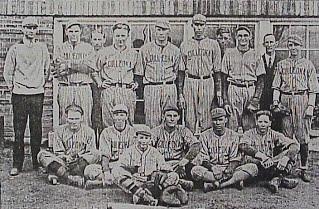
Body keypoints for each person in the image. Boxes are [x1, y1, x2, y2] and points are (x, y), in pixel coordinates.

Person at [4, 17, 50, 176]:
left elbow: (47, 69)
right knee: (19, 130)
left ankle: (37, 163)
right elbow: (7, 72)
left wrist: (39, 84)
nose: (31, 31)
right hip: (19, 95)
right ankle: (17, 164)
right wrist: (14, 87)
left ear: (37, 30)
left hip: (37, 94)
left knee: (36, 129)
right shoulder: (15, 49)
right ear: (22, 29)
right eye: (28, 28)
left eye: (33, 28)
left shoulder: (42, 48)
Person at [272, 34, 319, 182]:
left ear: (301, 46)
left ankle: (303, 168)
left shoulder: (307, 64)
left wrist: (311, 105)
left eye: (296, 45)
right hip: (285, 99)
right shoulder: (282, 64)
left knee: (303, 137)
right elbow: (276, 86)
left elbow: (313, 89)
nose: (293, 48)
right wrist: (275, 102)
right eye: (290, 45)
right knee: (285, 136)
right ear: (288, 47)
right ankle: (284, 167)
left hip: (301, 98)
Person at [113, 124, 188, 207]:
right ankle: (144, 195)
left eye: (146, 138)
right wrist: (132, 171)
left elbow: (164, 166)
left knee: (173, 175)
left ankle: (161, 194)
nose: (144, 141)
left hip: (152, 183)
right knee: (116, 172)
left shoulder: (154, 152)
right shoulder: (129, 151)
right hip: (135, 183)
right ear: (135, 138)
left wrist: (160, 174)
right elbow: (121, 167)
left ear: (150, 139)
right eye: (141, 138)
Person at [191, 108, 258, 192]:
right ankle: (233, 182)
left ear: (226, 120)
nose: (218, 123)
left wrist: (229, 170)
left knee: (253, 167)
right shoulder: (204, 136)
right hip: (212, 170)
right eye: (215, 120)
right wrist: (213, 168)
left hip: (229, 169)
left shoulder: (233, 135)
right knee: (195, 171)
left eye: (220, 120)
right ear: (212, 121)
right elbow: (204, 158)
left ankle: (216, 184)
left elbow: (235, 159)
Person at [88, 23, 138, 127]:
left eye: (123, 36)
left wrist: (137, 83)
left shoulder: (134, 54)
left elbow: (138, 73)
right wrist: (100, 83)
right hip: (110, 90)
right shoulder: (104, 52)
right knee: (108, 122)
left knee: (128, 122)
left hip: (127, 90)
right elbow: (93, 69)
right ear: (114, 36)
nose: (120, 39)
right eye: (118, 36)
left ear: (128, 36)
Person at [179, 14, 222, 135]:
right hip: (190, 80)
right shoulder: (185, 44)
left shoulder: (213, 44)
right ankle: (190, 144)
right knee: (189, 116)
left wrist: (218, 91)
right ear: (192, 26)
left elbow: (217, 70)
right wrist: (180, 93)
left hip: (207, 80)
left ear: (205, 26)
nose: (198, 28)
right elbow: (181, 71)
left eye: (201, 25)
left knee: (206, 115)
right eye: (196, 25)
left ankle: (205, 145)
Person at [37, 104, 99, 187]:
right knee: (42, 155)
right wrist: (65, 157)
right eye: (71, 119)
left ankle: (57, 174)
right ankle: (69, 178)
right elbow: (58, 151)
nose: (74, 121)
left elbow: (91, 152)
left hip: (80, 163)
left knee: (97, 154)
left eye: (76, 119)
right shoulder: (59, 130)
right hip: (63, 162)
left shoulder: (89, 132)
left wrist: (79, 156)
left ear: (82, 118)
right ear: (66, 118)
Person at [239, 110, 299, 193]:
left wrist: (285, 158)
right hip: (256, 164)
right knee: (249, 164)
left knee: (291, 156)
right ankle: (279, 179)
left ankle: (276, 179)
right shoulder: (249, 133)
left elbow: (294, 145)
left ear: (270, 123)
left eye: (265, 122)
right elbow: (243, 146)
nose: (263, 124)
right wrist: (262, 157)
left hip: (271, 164)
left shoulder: (274, 134)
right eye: (260, 122)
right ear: (256, 122)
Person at [136, 20, 181, 129]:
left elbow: (177, 72)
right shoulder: (145, 49)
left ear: (168, 32)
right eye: (159, 30)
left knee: (170, 120)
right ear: (154, 31)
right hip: (151, 86)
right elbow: (139, 73)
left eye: (164, 30)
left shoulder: (175, 50)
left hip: (169, 86)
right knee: (152, 121)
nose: (161, 33)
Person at [221, 26, 266, 132]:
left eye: (245, 35)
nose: (243, 38)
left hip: (250, 88)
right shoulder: (229, 53)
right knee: (232, 123)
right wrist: (225, 101)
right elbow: (223, 78)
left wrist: (255, 99)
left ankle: (248, 147)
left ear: (250, 37)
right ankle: (232, 148)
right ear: (236, 37)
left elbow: (261, 80)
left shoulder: (256, 54)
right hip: (233, 88)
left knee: (250, 124)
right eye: (240, 36)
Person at [83, 104, 136, 189]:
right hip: (111, 164)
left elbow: (133, 156)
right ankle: (115, 181)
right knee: (89, 170)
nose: (119, 118)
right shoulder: (106, 132)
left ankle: (101, 183)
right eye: (116, 115)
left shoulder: (132, 132)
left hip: (126, 167)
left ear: (126, 117)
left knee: (128, 174)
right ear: (113, 117)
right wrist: (106, 172)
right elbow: (105, 156)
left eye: (122, 115)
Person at [53, 20, 95, 125]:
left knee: (85, 120)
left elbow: (89, 68)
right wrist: (79, 65)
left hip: (83, 87)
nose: (73, 34)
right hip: (66, 87)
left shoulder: (88, 48)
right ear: (66, 32)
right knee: (65, 119)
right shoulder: (60, 48)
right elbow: (58, 70)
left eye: (76, 31)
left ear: (80, 32)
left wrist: (68, 65)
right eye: (71, 31)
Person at [151, 103, 201, 190]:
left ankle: (170, 183)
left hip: (177, 164)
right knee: (154, 174)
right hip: (160, 164)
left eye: (175, 116)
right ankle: (179, 183)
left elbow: (196, 145)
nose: (172, 119)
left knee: (197, 166)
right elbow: (148, 147)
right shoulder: (156, 131)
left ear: (178, 117)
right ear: (163, 117)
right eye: (169, 116)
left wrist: (183, 163)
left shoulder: (183, 130)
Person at [260, 33, 282, 131]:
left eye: (271, 42)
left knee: (277, 125)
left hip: (276, 97)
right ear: (263, 44)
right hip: (262, 98)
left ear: (276, 44)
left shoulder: (281, 61)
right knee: (263, 123)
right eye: (267, 42)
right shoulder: (259, 60)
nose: (269, 45)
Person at [89, 30, 106, 135]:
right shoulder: (88, 53)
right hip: (90, 86)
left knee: (102, 114)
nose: (97, 42)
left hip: (103, 87)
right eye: (95, 39)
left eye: (99, 39)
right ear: (91, 41)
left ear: (104, 40)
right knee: (92, 114)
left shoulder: (106, 53)